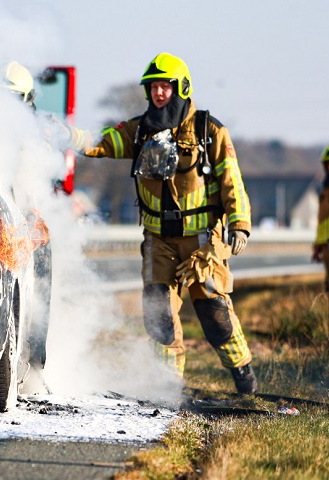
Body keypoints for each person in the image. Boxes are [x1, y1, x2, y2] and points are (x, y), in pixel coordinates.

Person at [68, 52, 257, 395]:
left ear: (181, 88)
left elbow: (232, 179)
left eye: (165, 87)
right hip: (158, 242)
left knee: (214, 313)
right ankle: (169, 389)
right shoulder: (139, 130)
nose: (158, 93)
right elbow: (103, 141)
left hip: (202, 242)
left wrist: (239, 222)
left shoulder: (208, 130)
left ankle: (244, 377)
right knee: (159, 316)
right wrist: (71, 137)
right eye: (153, 87)